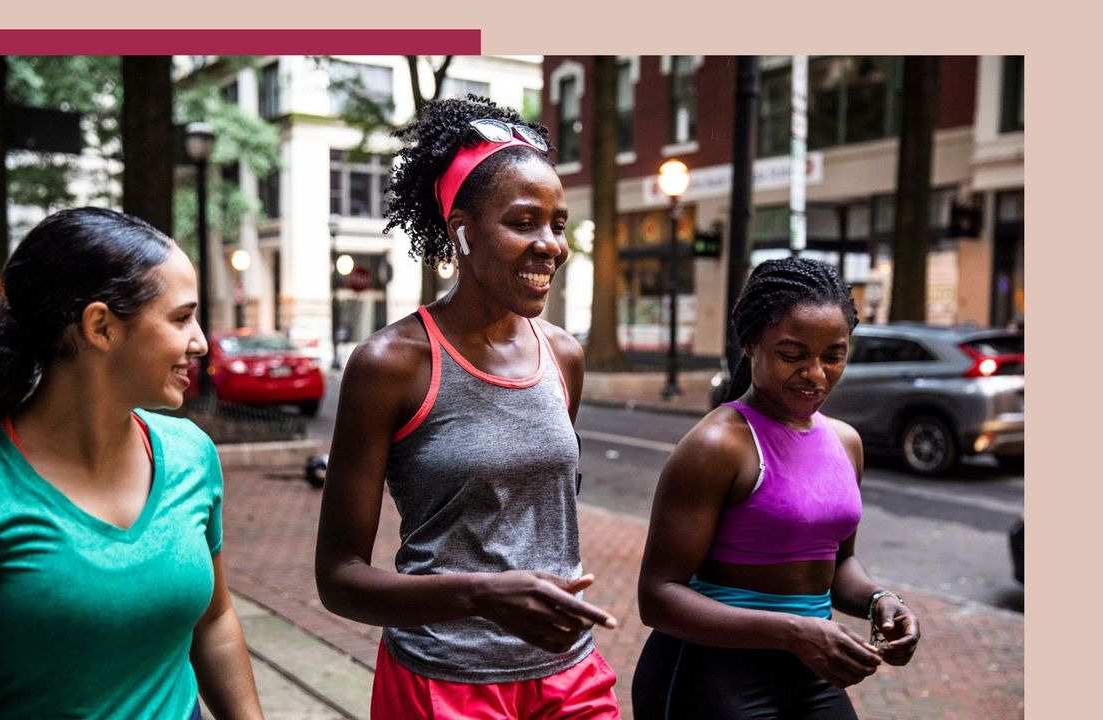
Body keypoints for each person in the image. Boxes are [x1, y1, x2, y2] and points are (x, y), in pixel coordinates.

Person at [314, 96, 622, 719]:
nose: (549, 246)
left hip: (569, 677)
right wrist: (482, 595)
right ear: (463, 229)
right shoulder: (391, 364)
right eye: (524, 222)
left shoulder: (563, 355)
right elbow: (339, 577)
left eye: (558, 225)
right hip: (446, 683)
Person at [0, 207, 264, 720]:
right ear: (101, 327)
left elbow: (214, 621)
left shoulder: (190, 454)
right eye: (181, 318)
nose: (199, 343)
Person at [633, 257, 921, 719]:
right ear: (751, 344)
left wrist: (879, 601)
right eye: (793, 355)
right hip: (711, 672)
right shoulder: (717, 445)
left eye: (833, 355)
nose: (816, 374)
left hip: (810, 668)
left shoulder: (846, 442)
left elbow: (837, 562)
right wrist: (793, 632)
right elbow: (658, 597)